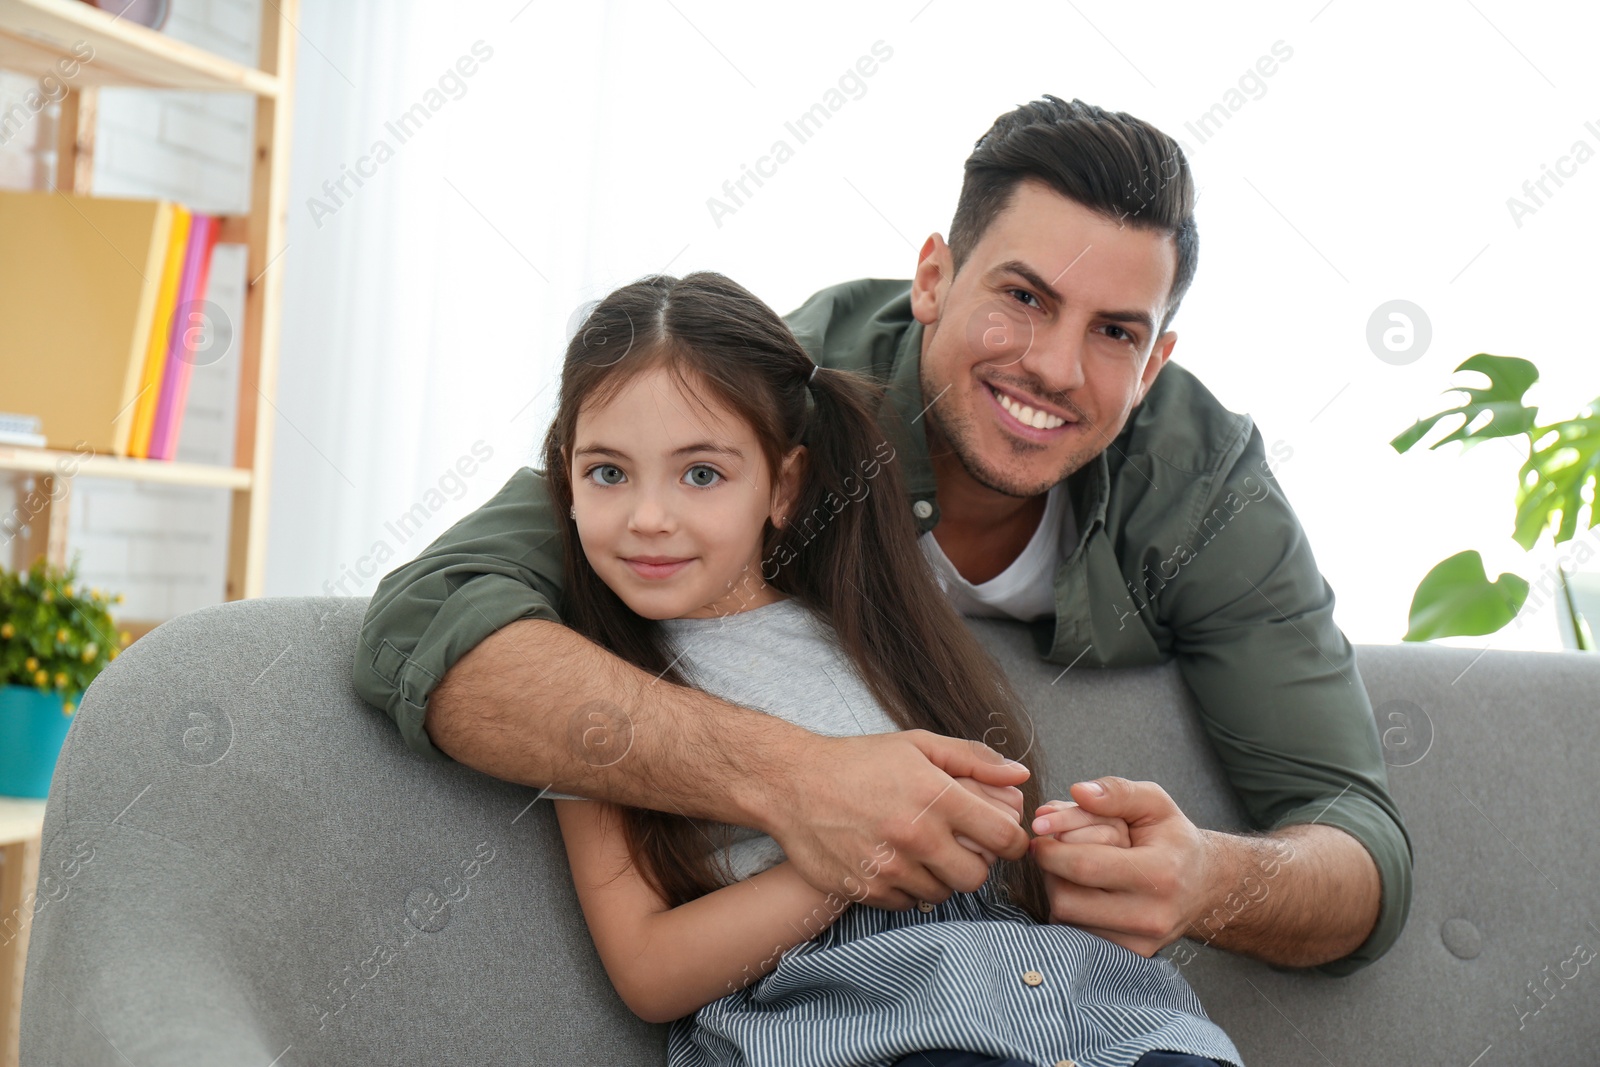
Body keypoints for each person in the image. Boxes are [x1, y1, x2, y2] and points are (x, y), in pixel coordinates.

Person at [353, 96, 1412, 976]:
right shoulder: (775, 399)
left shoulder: (1205, 483)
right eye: (1022, 296)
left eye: (1113, 333)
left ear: (1157, 361)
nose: (1051, 365)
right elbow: (428, 618)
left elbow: (1356, 839)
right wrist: (796, 779)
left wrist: (1214, 879)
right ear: (933, 278)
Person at [542, 269, 1244, 1067]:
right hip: (842, 1021)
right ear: (565, 476)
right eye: (607, 473)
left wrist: (1065, 851)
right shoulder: (596, 689)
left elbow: (992, 871)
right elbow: (649, 971)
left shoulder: (865, 620)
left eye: (701, 473)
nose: (649, 517)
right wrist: (856, 855)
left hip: (1052, 1000)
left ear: (785, 483)